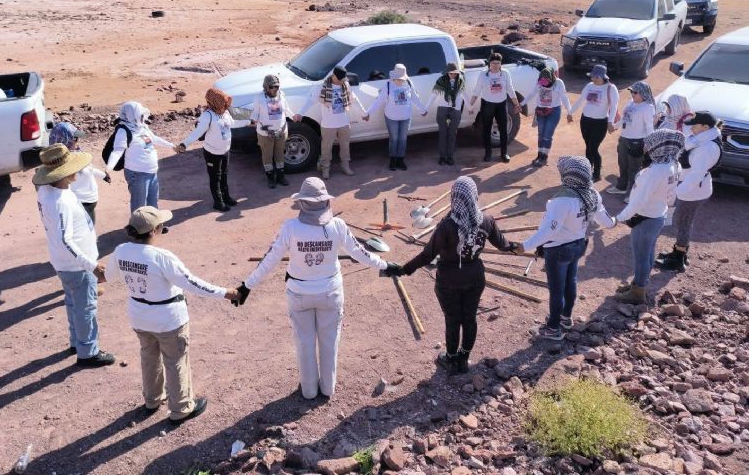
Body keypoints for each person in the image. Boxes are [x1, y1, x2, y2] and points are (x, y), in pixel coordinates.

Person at [238, 177, 393, 400]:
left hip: (299, 294)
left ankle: (309, 390)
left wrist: (247, 286)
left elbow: (269, 259)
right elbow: (360, 253)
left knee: (304, 343)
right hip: (331, 293)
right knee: (330, 342)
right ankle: (328, 388)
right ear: (326, 202)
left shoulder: (290, 228)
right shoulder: (338, 226)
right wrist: (386, 265)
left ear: (301, 203)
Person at [105, 206, 242, 424]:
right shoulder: (162, 257)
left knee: (149, 356)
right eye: (161, 225)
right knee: (176, 360)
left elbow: (108, 276)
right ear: (154, 230)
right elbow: (191, 283)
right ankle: (181, 408)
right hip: (168, 318)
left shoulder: (121, 251)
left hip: (139, 316)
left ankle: (152, 399)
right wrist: (225, 293)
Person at [385, 177, 516, 373]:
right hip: (475, 277)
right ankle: (464, 359)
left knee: (453, 319)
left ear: (454, 197)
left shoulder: (447, 225)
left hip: (449, 281)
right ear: (475, 196)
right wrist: (520, 247)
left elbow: (428, 255)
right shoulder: (486, 220)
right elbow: (503, 245)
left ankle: (451, 359)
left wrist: (404, 269)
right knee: (470, 318)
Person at [514, 157, 617, 341]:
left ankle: (553, 328)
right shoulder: (592, 193)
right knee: (571, 282)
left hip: (558, 250)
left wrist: (525, 246)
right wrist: (617, 220)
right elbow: (607, 221)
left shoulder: (562, 200)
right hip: (578, 245)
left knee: (557, 289)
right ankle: (566, 317)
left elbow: (548, 231)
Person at [33, 144, 115, 367]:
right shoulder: (60, 202)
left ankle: (76, 343)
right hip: (76, 266)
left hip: (63, 263)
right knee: (86, 308)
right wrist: (91, 265)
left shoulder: (48, 191)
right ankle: (88, 352)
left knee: (73, 303)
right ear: (63, 173)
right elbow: (65, 240)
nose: (78, 170)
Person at [615, 129, 684, 305]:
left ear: (659, 146)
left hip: (645, 217)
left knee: (641, 256)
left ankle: (638, 292)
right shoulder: (674, 163)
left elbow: (638, 201)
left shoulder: (655, 171)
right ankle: (639, 283)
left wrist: (619, 218)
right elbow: (671, 195)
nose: (646, 148)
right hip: (657, 215)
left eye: (650, 144)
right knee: (648, 253)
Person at [656, 112, 722, 272]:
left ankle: (678, 260)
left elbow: (696, 175)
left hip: (693, 191)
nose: (691, 128)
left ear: (705, 127)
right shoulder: (701, 138)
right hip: (692, 187)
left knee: (682, 221)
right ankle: (680, 252)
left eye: (694, 125)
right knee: (684, 221)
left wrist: (676, 192)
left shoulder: (707, 148)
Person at [294, 66, 364, 179]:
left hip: (344, 123)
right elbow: (310, 101)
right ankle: (325, 168)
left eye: (343, 79)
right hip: (328, 125)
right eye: (339, 78)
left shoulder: (345, 84)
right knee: (326, 148)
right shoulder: (322, 87)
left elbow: (353, 100)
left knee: (345, 147)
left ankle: (345, 165)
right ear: (334, 75)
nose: (341, 81)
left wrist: (364, 112)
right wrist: (300, 113)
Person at [106, 101, 177, 214]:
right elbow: (117, 151)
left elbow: (154, 139)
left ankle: (153, 223)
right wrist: (109, 168)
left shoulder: (142, 127)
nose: (142, 117)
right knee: (139, 207)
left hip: (152, 172)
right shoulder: (123, 131)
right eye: (140, 115)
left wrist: (172, 146)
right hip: (137, 174)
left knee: (152, 204)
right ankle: (138, 226)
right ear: (131, 115)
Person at [178, 88, 236, 212]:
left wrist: (249, 122)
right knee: (215, 177)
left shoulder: (225, 113)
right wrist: (184, 144)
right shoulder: (207, 116)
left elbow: (233, 123)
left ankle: (226, 197)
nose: (225, 105)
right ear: (216, 102)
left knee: (224, 174)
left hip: (225, 151)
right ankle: (218, 202)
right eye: (223, 102)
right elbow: (197, 132)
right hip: (212, 153)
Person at [363, 63, 427, 171]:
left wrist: (423, 109)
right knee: (394, 139)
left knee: (403, 139)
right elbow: (378, 101)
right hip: (391, 118)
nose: (400, 81)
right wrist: (368, 113)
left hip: (406, 117)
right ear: (394, 77)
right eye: (398, 79)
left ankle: (400, 159)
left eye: (402, 79)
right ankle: (393, 159)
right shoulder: (388, 85)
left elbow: (415, 98)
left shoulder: (409, 83)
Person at [49, 122, 110, 225]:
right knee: (87, 228)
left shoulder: (56, 160)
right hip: (83, 201)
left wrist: (103, 176)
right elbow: (88, 170)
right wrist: (103, 175)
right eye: (75, 139)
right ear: (66, 140)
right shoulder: (73, 159)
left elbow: (90, 169)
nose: (78, 141)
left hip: (85, 200)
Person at [567, 65, 619, 182]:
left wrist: (610, 121)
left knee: (593, 147)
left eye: (595, 77)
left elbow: (614, 106)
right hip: (585, 120)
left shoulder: (611, 88)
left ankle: (597, 174)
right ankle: (587, 170)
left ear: (602, 77)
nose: (592, 79)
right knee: (588, 146)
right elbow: (580, 100)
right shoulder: (589, 86)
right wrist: (570, 112)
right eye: (592, 76)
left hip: (600, 122)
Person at [469, 53, 521, 163]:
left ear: (501, 64)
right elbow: (477, 90)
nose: (496, 65)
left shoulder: (505, 73)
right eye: (493, 63)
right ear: (489, 63)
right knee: (486, 129)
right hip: (487, 104)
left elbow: (510, 89)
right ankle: (488, 153)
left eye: (498, 63)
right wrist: (470, 105)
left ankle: (504, 153)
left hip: (501, 104)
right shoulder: (483, 74)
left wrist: (516, 104)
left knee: (503, 129)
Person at [607, 82, 656, 198]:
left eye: (635, 92)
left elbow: (649, 127)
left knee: (634, 169)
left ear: (643, 93)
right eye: (631, 92)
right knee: (623, 165)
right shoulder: (631, 103)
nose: (632, 94)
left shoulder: (648, 107)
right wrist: (615, 126)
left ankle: (633, 194)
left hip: (637, 142)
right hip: (624, 138)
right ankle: (621, 187)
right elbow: (624, 118)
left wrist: (649, 143)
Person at [521, 67, 571, 167]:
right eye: (542, 81)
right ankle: (539, 155)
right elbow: (532, 94)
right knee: (541, 134)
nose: (544, 83)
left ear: (551, 78)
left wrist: (570, 112)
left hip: (554, 111)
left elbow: (564, 98)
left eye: (546, 81)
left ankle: (544, 157)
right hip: (541, 111)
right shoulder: (539, 82)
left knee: (547, 135)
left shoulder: (558, 83)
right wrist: (521, 104)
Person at [252, 74, 294, 188]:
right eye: (271, 87)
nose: (274, 89)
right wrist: (252, 120)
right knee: (267, 156)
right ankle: (270, 178)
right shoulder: (259, 98)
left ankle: (281, 176)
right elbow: (255, 113)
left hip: (281, 131)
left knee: (280, 155)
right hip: (266, 134)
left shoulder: (281, 94)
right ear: (266, 87)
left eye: (277, 86)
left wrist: (293, 116)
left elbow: (286, 109)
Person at [424, 62, 470, 166]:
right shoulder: (440, 81)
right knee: (443, 133)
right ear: (447, 73)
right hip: (443, 109)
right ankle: (442, 157)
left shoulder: (460, 81)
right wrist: (426, 109)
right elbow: (433, 96)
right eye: (450, 73)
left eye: (455, 73)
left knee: (452, 134)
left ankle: (450, 157)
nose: (453, 75)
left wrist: (470, 107)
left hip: (455, 110)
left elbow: (464, 95)